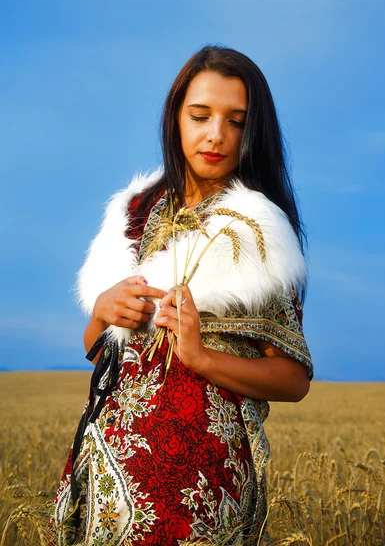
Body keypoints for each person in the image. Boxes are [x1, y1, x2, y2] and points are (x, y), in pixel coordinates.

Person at [50, 45, 313, 546]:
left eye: (237, 121)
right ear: (175, 119)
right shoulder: (134, 215)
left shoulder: (255, 232)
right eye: (200, 115)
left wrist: (200, 356)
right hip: (107, 472)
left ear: (254, 132)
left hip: (199, 488)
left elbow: (293, 378)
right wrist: (104, 309)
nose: (216, 134)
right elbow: (98, 351)